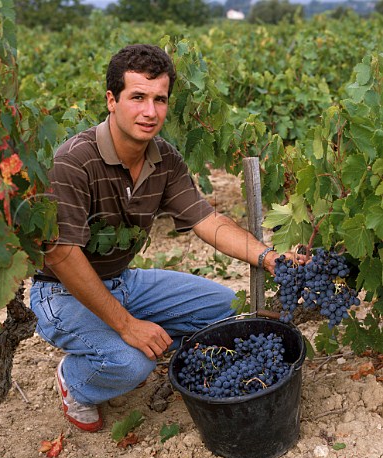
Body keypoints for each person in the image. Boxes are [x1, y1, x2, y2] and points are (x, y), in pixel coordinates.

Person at [30, 44, 303, 433]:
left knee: (226, 308)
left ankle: (143, 337)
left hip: (122, 281)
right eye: (137, 97)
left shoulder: (165, 158)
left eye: (160, 99)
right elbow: (61, 255)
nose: (150, 111)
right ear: (111, 100)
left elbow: (206, 220)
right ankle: (75, 382)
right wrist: (126, 325)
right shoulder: (73, 161)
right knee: (132, 364)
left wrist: (269, 258)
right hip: (61, 293)